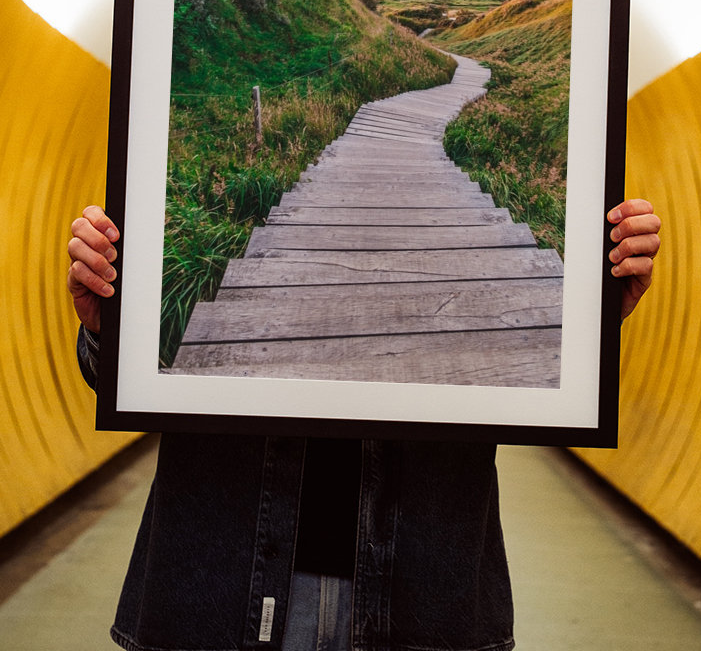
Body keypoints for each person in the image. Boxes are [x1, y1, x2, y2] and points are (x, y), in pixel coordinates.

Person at [68, 199, 661, 651]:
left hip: (422, 592)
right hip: (220, 584)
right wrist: (109, 330)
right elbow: (129, 380)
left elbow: (540, 378)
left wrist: (590, 322)